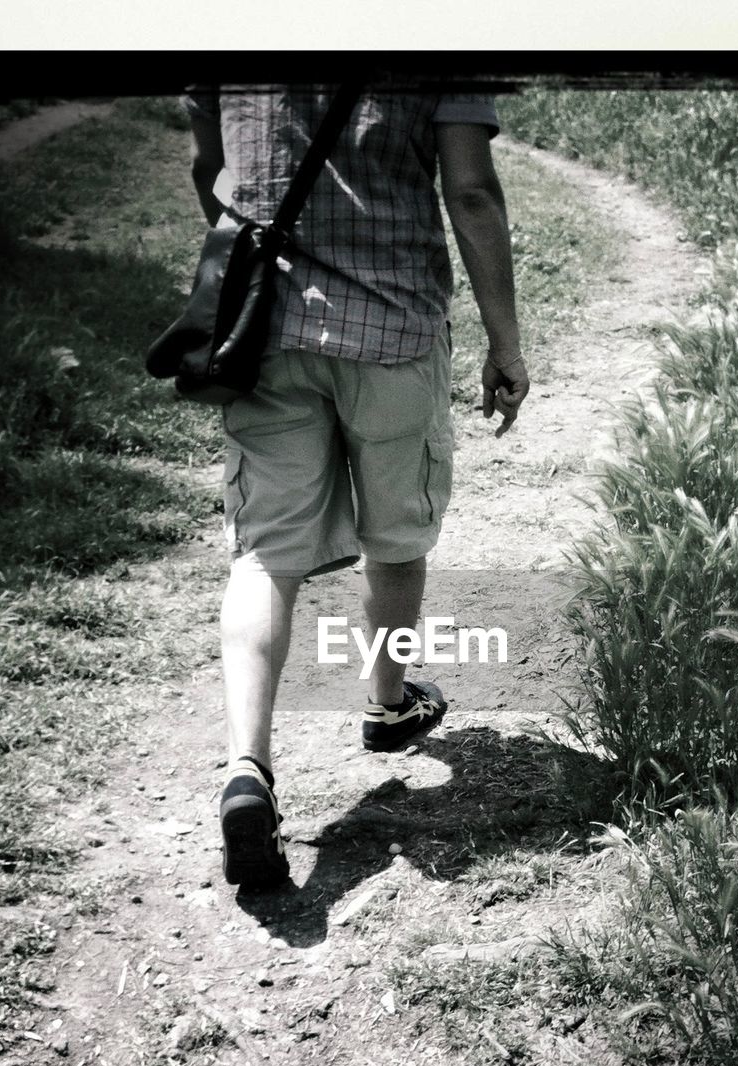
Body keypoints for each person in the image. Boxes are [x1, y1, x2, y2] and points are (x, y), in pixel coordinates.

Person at [183, 84, 530, 892]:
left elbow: (213, 171)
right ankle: (386, 700)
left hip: (264, 328)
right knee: (397, 535)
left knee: (266, 555)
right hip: (394, 323)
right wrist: (505, 341)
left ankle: (247, 771)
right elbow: (470, 189)